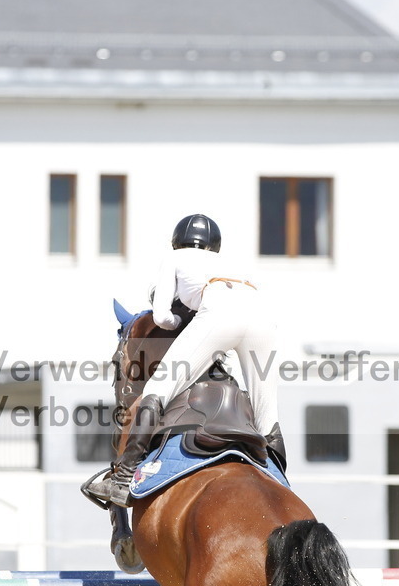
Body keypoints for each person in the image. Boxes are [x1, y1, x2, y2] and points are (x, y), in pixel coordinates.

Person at [99, 213, 286, 508]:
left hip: (220, 314)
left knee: (155, 392)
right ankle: (282, 491)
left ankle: (122, 478)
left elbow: (161, 316)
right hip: (264, 319)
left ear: (177, 242)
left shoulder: (175, 257)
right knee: (268, 418)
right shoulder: (229, 263)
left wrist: (174, 320)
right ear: (214, 245)